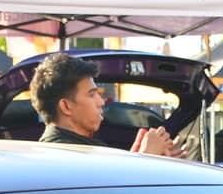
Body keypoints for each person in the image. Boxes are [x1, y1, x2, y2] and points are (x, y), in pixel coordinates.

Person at [31, 54, 183, 156]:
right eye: (91, 94)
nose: (101, 102)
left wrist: (154, 163)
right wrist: (147, 157)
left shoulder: (77, 148)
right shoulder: (60, 156)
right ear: (66, 106)